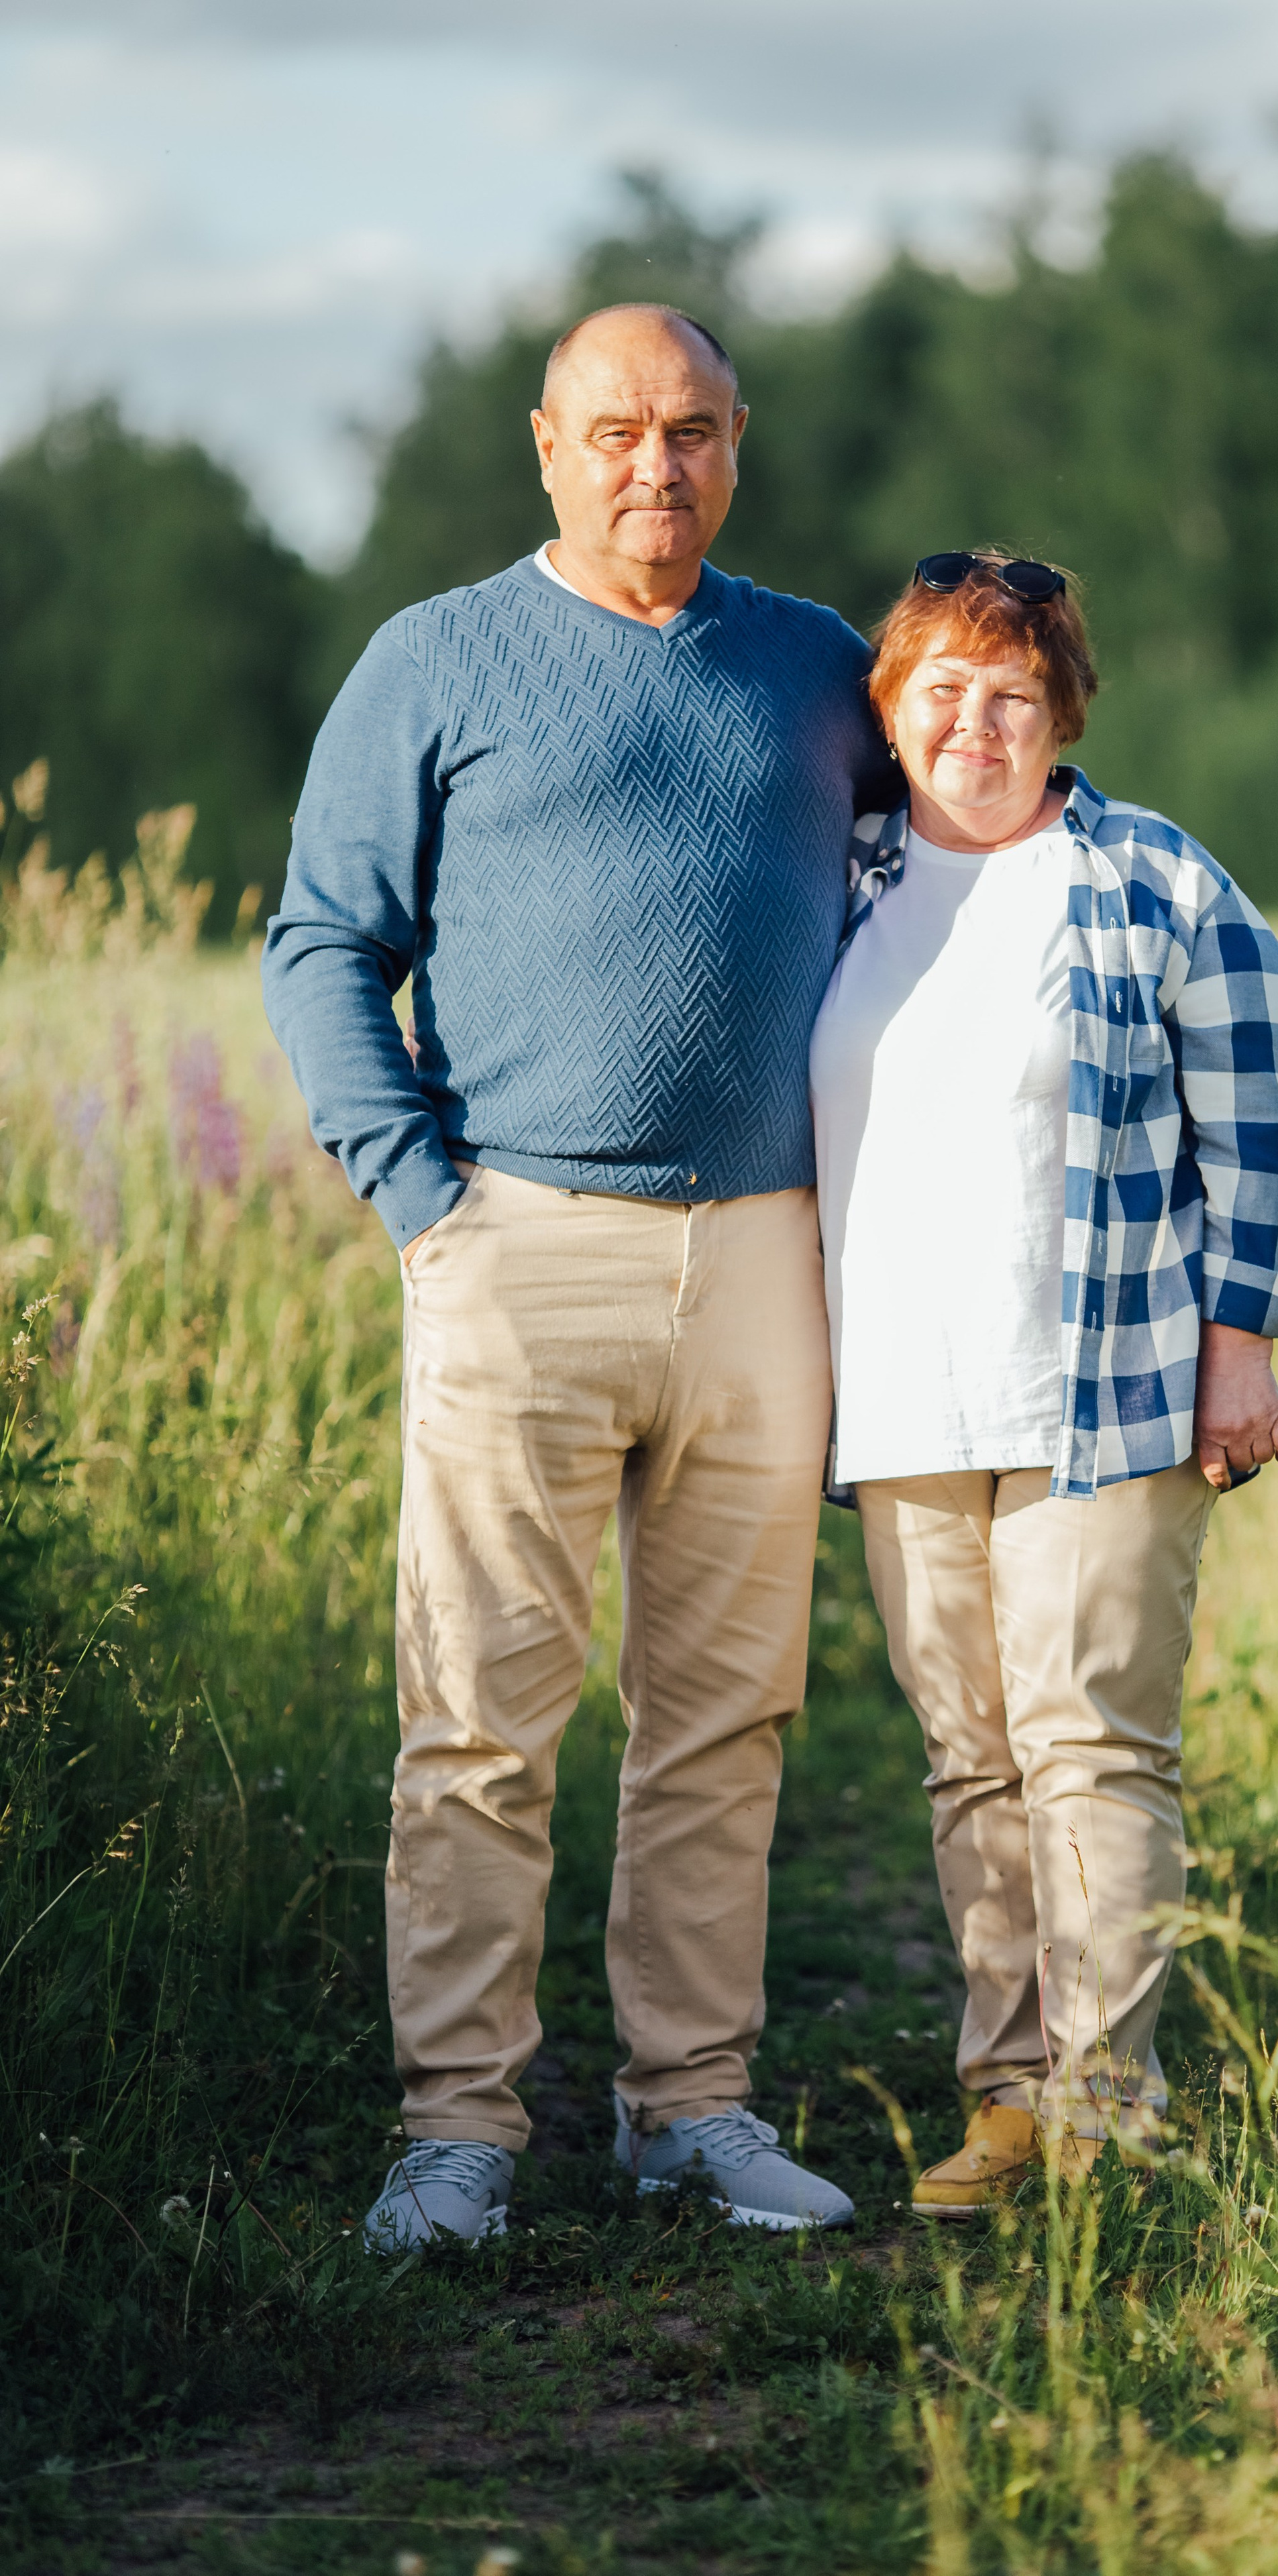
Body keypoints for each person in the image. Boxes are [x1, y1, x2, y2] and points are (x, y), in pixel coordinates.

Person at [263, 303, 894, 2246]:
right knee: (477, 1714)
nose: (657, 464)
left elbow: (964, 837)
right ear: (546, 442)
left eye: (694, 428)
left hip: (768, 1258)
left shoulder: (812, 667)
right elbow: (320, 945)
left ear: (738, 439)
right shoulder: (434, 660)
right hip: (514, 1241)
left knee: (725, 1716)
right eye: (616, 428)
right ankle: (459, 2129)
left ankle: (688, 2106)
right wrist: (425, 1205)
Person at [808, 551, 1278, 2215]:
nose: (973, 722)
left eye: (1009, 694)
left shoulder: (1150, 882)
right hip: (903, 1393)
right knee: (969, 1757)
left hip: (1105, 1384)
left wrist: (1238, 1341)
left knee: (1091, 1745)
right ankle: (1006, 2101)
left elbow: (1252, 1114)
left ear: (1060, 714)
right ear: (887, 711)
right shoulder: (840, 881)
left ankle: (1110, 2109)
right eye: (939, 689)